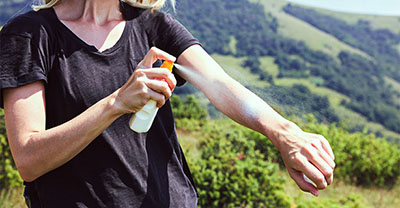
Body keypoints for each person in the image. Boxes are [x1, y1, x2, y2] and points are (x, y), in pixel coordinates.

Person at [0, 0, 335, 207]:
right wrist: (117, 102)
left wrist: (285, 133)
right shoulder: (30, 35)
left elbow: (219, 85)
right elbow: (29, 159)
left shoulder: (152, 25)